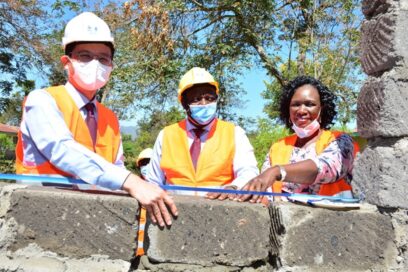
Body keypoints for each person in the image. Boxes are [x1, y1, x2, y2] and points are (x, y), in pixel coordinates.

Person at [15, 12, 177, 227]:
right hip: (40, 218)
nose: (95, 63)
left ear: (111, 66)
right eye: (84, 56)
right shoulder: (43, 100)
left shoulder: (110, 118)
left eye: (103, 58)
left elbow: (116, 165)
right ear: (66, 61)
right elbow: (62, 149)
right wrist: (131, 181)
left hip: (92, 222)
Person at [239, 75, 358, 203]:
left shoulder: (341, 141)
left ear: (321, 110)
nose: (301, 110)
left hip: (332, 219)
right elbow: (265, 190)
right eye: (296, 105)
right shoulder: (278, 147)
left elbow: (325, 168)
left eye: (310, 104)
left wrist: (277, 171)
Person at [146, 67, 259, 199]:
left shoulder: (234, 133)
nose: (204, 104)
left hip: (221, 213)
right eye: (196, 99)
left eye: (209, 98)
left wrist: (234, 187)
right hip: (173, 212)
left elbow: (249, 171)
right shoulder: (166, 135)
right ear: (184, 103)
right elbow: (153, 181)